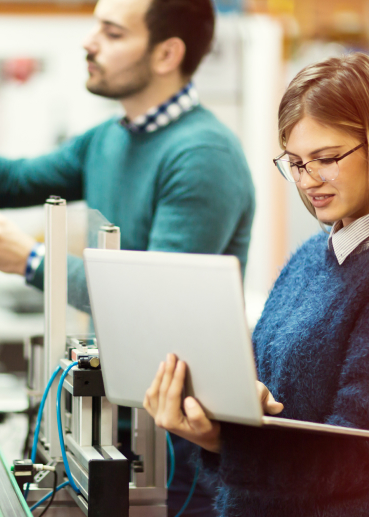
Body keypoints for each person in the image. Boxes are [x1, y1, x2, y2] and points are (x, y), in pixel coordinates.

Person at [0, 0, 255, 514]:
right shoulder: (107, 139)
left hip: (178, 445)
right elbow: (8, 181)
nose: (88, 43)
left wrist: (31, 260)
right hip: (110, 420)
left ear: (165, 54)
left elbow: (155, 298)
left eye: (112, 33)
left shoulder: (203, 155)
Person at [144, 51, 369, 517]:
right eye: (295, 162)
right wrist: (226, 416)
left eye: (326, 159)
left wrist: (227, 440)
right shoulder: (311, 257)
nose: (309, 180)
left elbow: (355, 456)